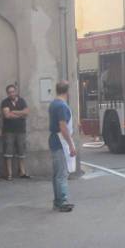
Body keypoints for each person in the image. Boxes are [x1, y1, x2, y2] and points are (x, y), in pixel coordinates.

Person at [48, 81, 77, 212]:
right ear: (67, 92)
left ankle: (57, 201)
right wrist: (71, 144)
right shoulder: (62, 106)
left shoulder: (54, 104)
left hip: (55, 139)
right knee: (62, 173)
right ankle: (62, 201)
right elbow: (63, 126)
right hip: (61, 141)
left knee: (57, 173)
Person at [1, 84, 30, 180]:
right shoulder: (5, 102)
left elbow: (27, 112)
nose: (11, 94)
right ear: (7, 93)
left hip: (21, 130)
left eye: (13, 91)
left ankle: (22, 172)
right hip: (9, 131)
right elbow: (7, 115)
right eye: (9, 92)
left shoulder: (22, 101)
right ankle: (9, 174)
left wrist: (14, 112)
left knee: (21, 151)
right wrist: (21, 114)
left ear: (16, 92)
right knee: (8, 152)